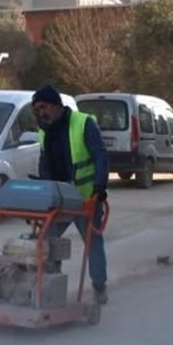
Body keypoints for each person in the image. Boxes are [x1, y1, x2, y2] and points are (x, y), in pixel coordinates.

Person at [32, 85, 110, 304]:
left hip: (85, 198)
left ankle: (99, 286)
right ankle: (51, 285)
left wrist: (99, 188)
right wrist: (42, 189)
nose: (41, 113)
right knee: (47, 241)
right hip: (58, 199)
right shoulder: (43, 132)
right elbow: (44, 163)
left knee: (92, 242)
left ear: (57, 105)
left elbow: (101, 156)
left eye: (44, 107)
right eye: (37, 109)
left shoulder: (83, 123)